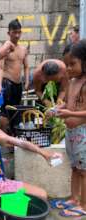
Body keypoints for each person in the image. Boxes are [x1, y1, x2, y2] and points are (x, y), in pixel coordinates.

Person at [0, 96, 62, 220]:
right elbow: (7, 139)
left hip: (2, 183)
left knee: (41, 196)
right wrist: (1, 132)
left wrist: (43, 153)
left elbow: (12, 141)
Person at [55, 40, 86, 217]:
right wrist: (60, 108)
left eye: (73, 64)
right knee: (75, 168)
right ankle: (74, 198)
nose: (68, 68)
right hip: (71, 133)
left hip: (82, 133)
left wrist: (69, 113)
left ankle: (84, 204)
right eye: (67, 65)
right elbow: (69, 103)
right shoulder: (73, 81)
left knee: (83, 171)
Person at [0, 19, 29, 131]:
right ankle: (3, 138)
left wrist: (27, 81)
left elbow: (26, 66)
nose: (17, 35)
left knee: (16, 110)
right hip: (7, 83)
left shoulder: (23, 49)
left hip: (18, 84)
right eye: (14, 32)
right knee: (5, 111)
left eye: (19, 32)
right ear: (8, 33)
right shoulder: (5, 47)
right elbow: (0, 67)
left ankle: (13, 137)